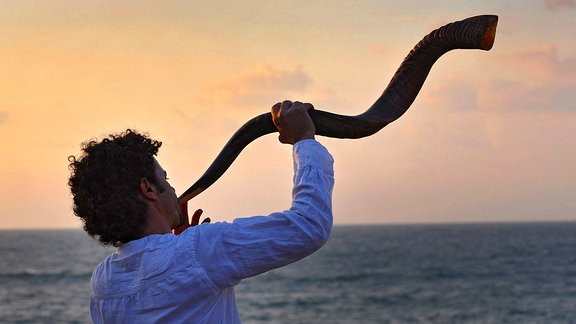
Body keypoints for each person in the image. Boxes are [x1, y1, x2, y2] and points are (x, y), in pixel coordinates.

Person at [68, 100, 334, 323]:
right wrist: (303, 141)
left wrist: (181, 246)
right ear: (148, 190)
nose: (173, 190)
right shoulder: (198, 248)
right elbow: (308, 226)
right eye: (166, 179)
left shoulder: (102, 283)